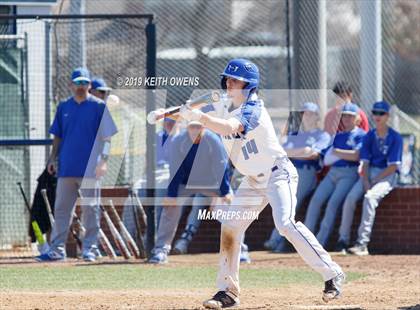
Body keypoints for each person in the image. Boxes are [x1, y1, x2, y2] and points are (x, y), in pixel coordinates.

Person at [179, 59, 344, 308]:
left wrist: (197, 116)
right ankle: (228, 293)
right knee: (231, 226)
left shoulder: (253, 109)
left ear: (250, 84)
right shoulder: (224, 102)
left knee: (285, 224)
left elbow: (228, 127)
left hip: (279, 174)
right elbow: (209, 100)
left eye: (236, 80)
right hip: (253, 181)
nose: (229, 83)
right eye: (228, 79)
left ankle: (332, 274)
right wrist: (187, 108)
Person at [36, 68, 117, 262]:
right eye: (77, 83)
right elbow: (58, 136)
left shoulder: (99, 106)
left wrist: (103, 162)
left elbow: (107, 139)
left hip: (91, 168)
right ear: (71, 85)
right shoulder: (63, 107)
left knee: (91, 209)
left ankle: (90, 249)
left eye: (84, 83)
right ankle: (57, 250)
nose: (80, 86)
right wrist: (52, 159)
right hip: (66, 168)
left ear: (89, 85)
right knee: (62, 210)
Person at [148, 120, 233, 264]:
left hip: (211, 181)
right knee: (170, 206)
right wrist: (172, 195)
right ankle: (161, 250)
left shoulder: (213, 139)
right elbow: (175, 169)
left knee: (231, 204)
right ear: (187, 128)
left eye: (198, 126)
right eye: (192, 127)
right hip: (185, 182)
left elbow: (221, 166)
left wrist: (225, 191)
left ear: (204, 127)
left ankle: (237, 248)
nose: (195, 130)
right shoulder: (178, 141)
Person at [337, 101, 402, 255]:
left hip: (387, 175)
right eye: (375, 112)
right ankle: (342, 240)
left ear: (387, 116)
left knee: (370, 197)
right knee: (350, 198)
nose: (377, 116)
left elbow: (393, 166)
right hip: (369, 173)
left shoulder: (395, 137)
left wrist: (373, 182)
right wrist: (366, 180)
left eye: (381, 113)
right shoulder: (369, 136)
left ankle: (362, 243)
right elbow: (364, 162)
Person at [265, 102, 331, 252]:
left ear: (316, 116)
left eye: (309, 113)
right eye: (303, 113)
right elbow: (281, 152)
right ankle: (279, 243)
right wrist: (303, 151)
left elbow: (313, 155)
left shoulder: (322, 135)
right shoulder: (296, 134)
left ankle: (275, 240)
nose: (305, 117)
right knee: (285, 205)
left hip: (309, 173)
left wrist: (295, 151)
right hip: (290, 170)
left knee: (289, 204)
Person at [304, 103, 365, 248]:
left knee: (332, 204)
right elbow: (326, 156)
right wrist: (341, 153)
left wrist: (338, 152)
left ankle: (319, 242)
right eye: (344, 116)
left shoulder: (361, 134)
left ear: (356, 118)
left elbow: (356, 156)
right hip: (333, 172)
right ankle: (305, 240)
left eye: (350, 116)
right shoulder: (338, 135)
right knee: (316, 200)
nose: (346, 119)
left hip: (349, 173)